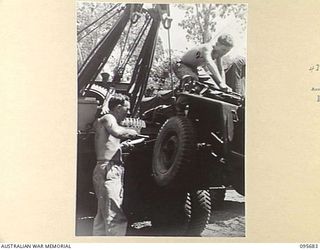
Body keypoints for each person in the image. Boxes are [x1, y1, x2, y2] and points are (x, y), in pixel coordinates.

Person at [92, 93, 138, 236]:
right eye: (127, 108)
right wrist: (132, 132)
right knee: (115, 215)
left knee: (102, 215)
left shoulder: (102, 121)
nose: (129, 112)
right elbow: (117, 132)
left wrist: (122, 146)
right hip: (110, 169)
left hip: (103, 168)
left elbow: (108, 144)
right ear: (118, 107)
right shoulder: (109, 118)